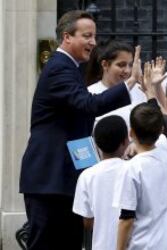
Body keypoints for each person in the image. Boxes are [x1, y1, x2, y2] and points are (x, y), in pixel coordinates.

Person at [19, 10, 141, 250]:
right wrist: (130, 83)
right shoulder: (59, 68)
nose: (93, 42)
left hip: (64, 178)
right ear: (67, 37)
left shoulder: (70, 67)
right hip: (49, 179)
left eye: (94, 36)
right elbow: (89, 105)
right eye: (87, 36)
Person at [114, 102, 167, 250]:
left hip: (142, 244)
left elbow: (126, 219)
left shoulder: (131, 169)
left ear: (131, 133)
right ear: (161, 130)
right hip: (165, 242)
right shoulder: (165, 146)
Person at [73, 115, 129, 250]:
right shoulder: (133, 170)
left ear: (96, 143)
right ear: (125, 141)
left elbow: (87, 221)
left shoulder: (86, 176)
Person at [86, 40, 147, 128]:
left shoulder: (140, 90)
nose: (127, 71)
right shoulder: (89, 93)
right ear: (105, 64)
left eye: (130, 65)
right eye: (121, 65)